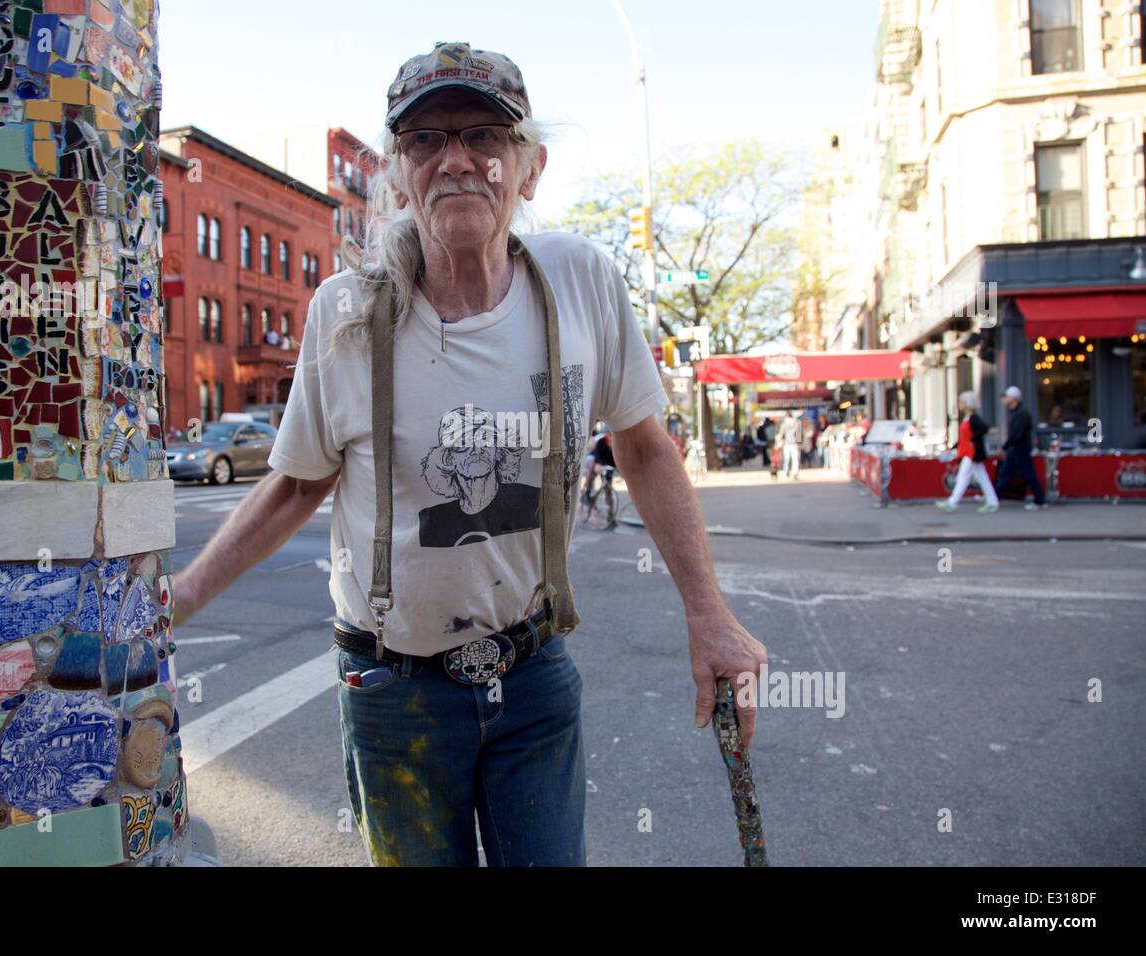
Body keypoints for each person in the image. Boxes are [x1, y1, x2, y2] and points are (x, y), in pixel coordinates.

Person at [170, 42, 766, 867]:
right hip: (392, 690)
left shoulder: (581, 280)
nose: (457, 159)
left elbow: (645, 447)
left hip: (532, 674)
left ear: (530, 166)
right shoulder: (347, 315)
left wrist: (711, 615)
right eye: (426, 141)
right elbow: (294, 486)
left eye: (485, 135)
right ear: (398, 173)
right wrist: (179, 600)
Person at [937, 390, 998, 513]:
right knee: (980, 478)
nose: (959, 404)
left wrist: (973, 440)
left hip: (972, 452)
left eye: (961, 402)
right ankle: (992, 501)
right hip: (968, 452)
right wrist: (954, 446)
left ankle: (952, 502)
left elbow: (983, 429)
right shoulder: (968, 418)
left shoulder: (973, 418)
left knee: (964, 477)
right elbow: (964, 437)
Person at [995, 386, 1047, 510]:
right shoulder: (1016, 412)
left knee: (1027, 473)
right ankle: (993, 497)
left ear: (1013, 398)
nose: (1003, 399)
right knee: (1005, 473)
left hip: (1020, 448)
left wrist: (1005, 447)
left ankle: (1040, 500)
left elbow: (1016, 434)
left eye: (1006, 397)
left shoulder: (1021, 413)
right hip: (1015, 448)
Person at [780, 411, 802, 480]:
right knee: (795, 459)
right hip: (794, 443)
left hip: (787, 443)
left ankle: (786, 472)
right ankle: (795, 473)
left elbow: (781, 434)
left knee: (786, 459)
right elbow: (798, 434)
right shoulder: (797, 423)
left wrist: (780, 442)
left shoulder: (784, 424)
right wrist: (799, 444)